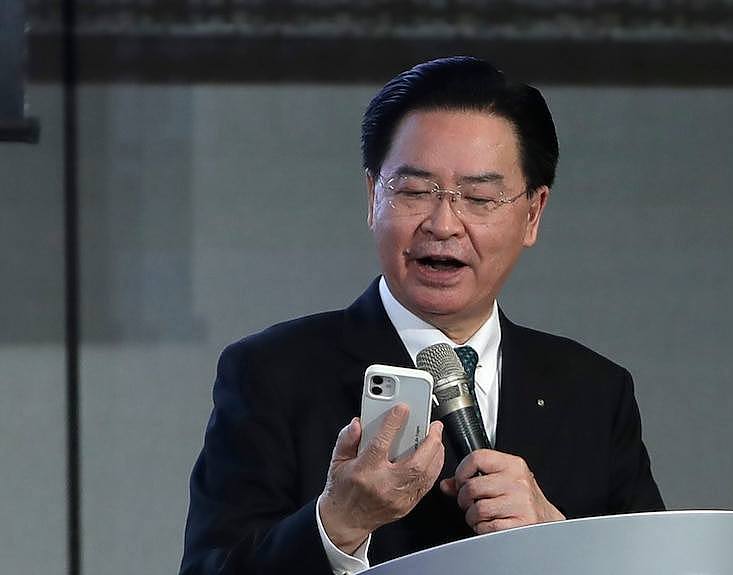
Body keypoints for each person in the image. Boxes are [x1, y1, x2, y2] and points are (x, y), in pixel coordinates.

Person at [180, 56, 664, 575]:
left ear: (533, 213)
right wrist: (337, 524)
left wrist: (559, 539)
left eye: (479, 197)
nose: (443, 223)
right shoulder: (272, 374)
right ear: (372, 197)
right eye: (413, 191)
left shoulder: (594, 391)